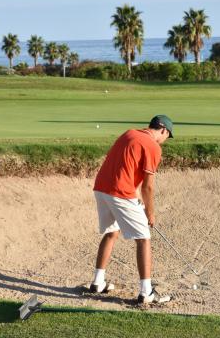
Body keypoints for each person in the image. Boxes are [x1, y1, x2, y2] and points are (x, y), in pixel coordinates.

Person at [89, 115, 173, 304]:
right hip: (119, 193)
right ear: (164, 131)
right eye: (167, 137)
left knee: (112, 232)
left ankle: (97, 282)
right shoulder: (153, 147)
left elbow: (124, 168)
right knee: (143, 238)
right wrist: (150, 213)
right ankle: (146, 293)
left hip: (101, 189)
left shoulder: (129, 133)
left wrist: (135, 200)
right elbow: (148, 187)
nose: (165, 141)